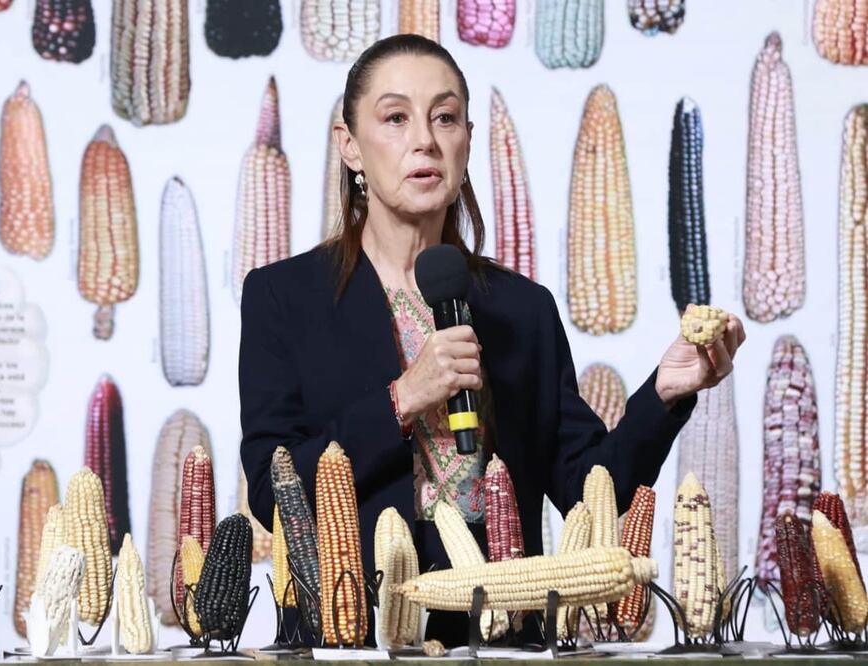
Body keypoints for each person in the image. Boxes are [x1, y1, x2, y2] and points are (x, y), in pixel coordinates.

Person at [238, 33, 745, 645]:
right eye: (396, 118)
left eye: (445, 117)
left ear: (467, 141)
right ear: (349, 146)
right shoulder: (284, 298)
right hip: (350, 637)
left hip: (501, 638)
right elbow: (274, 493)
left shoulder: (521, 309)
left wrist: (664, 394)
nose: (424, 139)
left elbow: (590, 492)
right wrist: (401, 399)